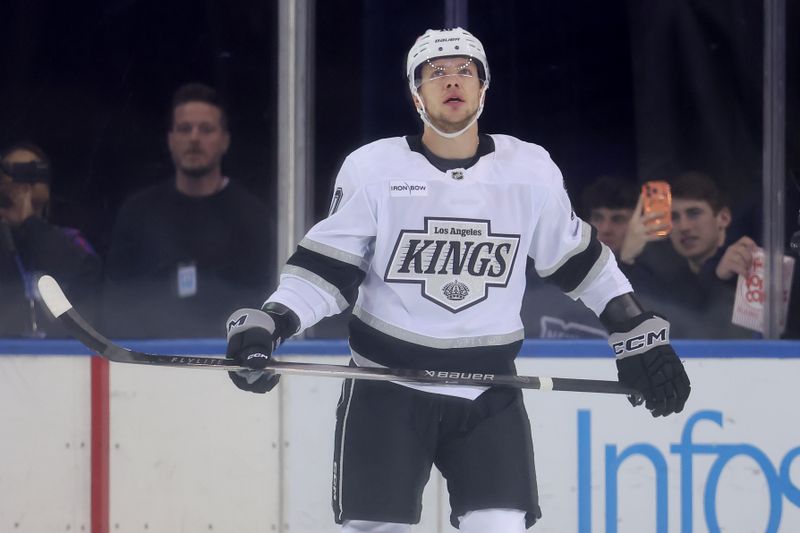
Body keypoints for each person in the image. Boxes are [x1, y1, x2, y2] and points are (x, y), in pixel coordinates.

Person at [224, 28, 690, 532]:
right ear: (415, 93)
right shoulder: (373, 169)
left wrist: (634, 330)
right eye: (436, 72)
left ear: (484, 88)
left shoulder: (529, 170)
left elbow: (580, 261)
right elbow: (326, 271)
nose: (452, 80)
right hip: (386, 387)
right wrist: (271, 322)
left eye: (465, 70)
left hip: (489, 391)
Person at [104, 83, 273, 338]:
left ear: (224, 140)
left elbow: (265, 301)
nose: (194, 138)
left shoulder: (253, 217)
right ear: (170, 140)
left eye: (206, 129)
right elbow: (115, 301)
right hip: (148, 361)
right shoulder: (138, 213)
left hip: (225, 359)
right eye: (184, 129)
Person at [621, 171, 754, 338]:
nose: (684, 226)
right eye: (674, 217)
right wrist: (627, 258)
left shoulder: (748, 268)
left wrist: (723, 282)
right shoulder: (665, 281)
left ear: (724, 218)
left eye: (694, 213)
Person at [0, 142, 101, 337]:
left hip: (58, 355)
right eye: (10, 173)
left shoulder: (69, 241)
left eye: (31, 171)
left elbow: (86, 278)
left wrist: (30, 224)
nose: (20, 184)